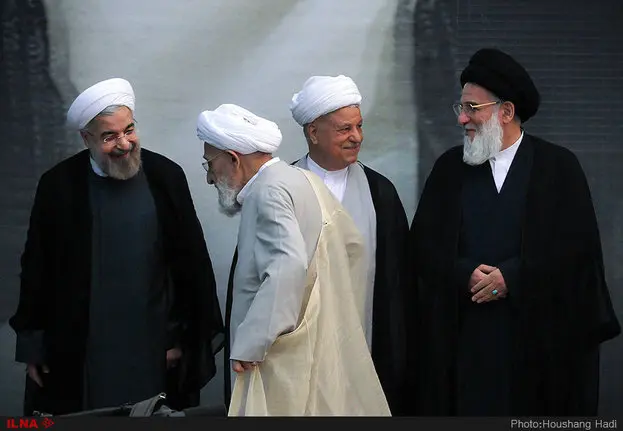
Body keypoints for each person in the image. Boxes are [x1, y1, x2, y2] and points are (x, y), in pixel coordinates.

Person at [407, 48, 621, 416]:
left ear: (506, 112)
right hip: (465, 345)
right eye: (461, 107)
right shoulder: (449, 170)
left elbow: (579, 257)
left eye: (472, 108)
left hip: (538, 347)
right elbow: (422, 251)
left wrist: (514, 277)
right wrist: (463, 272)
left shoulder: (558, 168)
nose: (461, 118)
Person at [9, 78, 224, 415]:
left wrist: (180, 338)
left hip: (154, 346)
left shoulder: (165, 176)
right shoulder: (59, 185)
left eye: (129, 130)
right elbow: (37, 267)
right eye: (109, 136)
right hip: (81, 346)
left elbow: (191, 265)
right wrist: (33, 344)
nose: (124, 144)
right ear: (86, 139)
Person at [196, 103, 390, 416]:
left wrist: (252, 342)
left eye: (210, 164)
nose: (209, 178)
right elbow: (351, 245)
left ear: (233, 158)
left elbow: (287, 266)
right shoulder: (301, 179)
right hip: (311, 346)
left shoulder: (268, 191)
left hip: (278, 357)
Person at [289, 75, 409, 414]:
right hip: (299, 354)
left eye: (359, 126)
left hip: (365, 350)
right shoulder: (282, 189)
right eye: (344, 129)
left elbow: (398, 286)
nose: (357, 137)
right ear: (313, 132)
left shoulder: (380, 193)